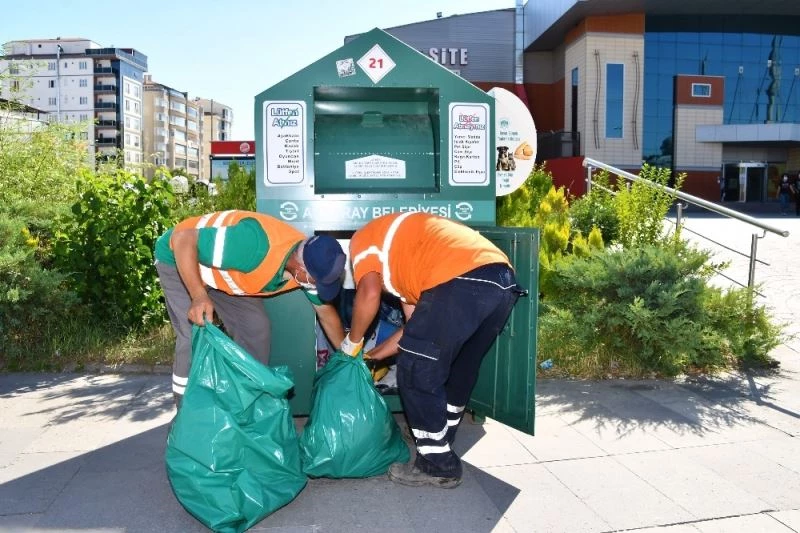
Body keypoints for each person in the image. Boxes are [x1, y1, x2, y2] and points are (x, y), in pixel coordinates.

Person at [339, 212, 525, 489]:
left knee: (416, 369)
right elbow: (414, 329)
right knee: (459, 365)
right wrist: (375, 354)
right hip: (500, 278)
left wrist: (351, 345)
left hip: (459, 278)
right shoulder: (411, 268)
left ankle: (437, 464)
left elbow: (368, 294)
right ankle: (440, 437)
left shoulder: (362, 239)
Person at [154, 210, 346, 407]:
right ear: (300, 267)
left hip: (224, 275)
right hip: (179, 259)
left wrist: (348, 355)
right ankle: (186, 413)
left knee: (256, 327)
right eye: (317, 281)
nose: (317, 286)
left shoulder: (307, 262)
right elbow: (183, 239)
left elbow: (326, 315)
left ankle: (245, 404)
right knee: (193, 334)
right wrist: (198, 295)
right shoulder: (255, 245)